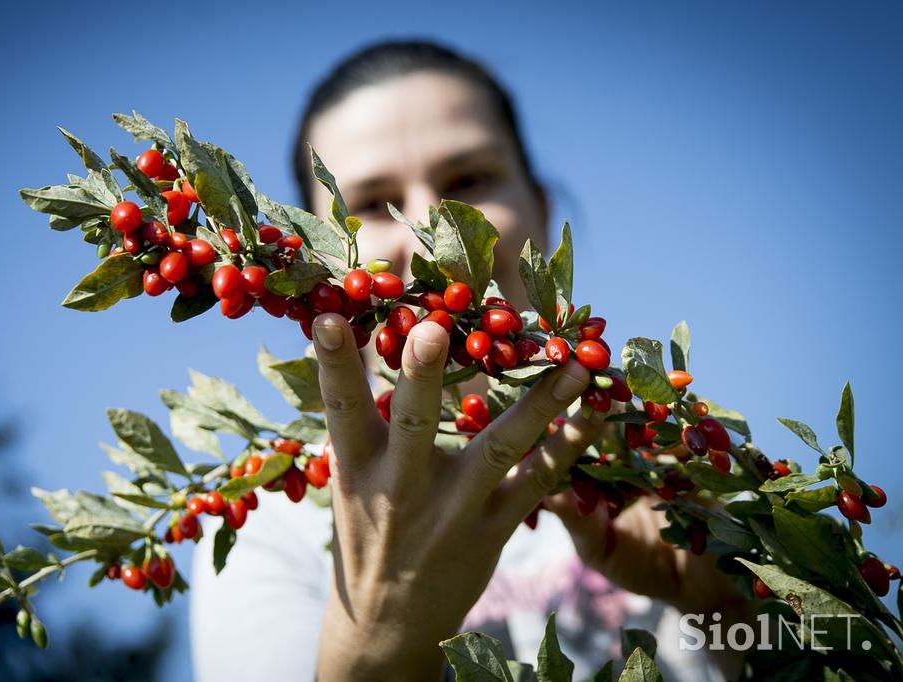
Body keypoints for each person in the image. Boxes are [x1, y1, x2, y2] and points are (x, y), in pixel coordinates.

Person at [191, 40, 752, 681]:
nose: (433, 226)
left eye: (469, 181)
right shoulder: (276, 527)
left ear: (542, 210)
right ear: (308, 264)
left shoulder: (677, 465)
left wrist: (733, 606)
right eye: (373, 202)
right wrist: (373, 652)